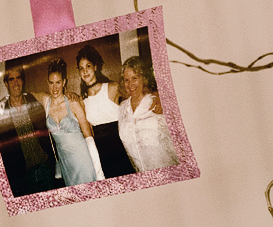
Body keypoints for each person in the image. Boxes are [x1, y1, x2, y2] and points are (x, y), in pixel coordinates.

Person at [0, 64, 58, 196]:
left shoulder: (34, 103)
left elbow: (53, 97)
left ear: (23, 80)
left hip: (45, 168)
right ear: (6, 83)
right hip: (23, 175)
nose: (16, 83)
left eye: (18, 78)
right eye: (11, 79)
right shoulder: (1, 113)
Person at [39, 59, 104, 186]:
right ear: (47, 83)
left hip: (82, 159)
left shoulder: (73, 102)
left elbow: (89, 137)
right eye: (51, 83)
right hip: (65, 164)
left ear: (64, 82)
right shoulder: (45, 101)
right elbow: (29, 94)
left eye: (58, 82)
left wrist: (99, 172)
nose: (55, 87)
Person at [76, 45, 136, 178]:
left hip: (121, 146)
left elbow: (139, 94)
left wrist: (157, 98)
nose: (85, 71)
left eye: (88, 66)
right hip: (101, 151)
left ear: (95, 67)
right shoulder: (82, 100)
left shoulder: (112, 88)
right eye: (81, 68)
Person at [118, 56, 179, 172]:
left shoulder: (157, 103)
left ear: (144, 79)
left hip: (169, 170)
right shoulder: (122, 108)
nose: (130, 84)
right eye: (126, 80)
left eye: (134, 78)